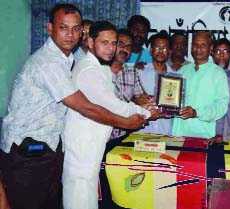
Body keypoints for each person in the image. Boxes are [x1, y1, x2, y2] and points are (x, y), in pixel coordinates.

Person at [0, 4, 146, 209]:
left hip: (48, 148)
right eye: (63, 27)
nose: (70, 34)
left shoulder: (66, 60)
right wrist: (127, 122)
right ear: (50, 28)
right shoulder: (48, 63)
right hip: (28, 152)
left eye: (76, 28)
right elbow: (86, 107)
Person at [62, 21, 159, 209]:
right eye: (104, 43)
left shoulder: (102, 68)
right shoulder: (89, 70)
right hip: (82, 147)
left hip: (93, 145)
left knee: (88, 196)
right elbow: (113, 105)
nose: (111, 48)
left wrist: (141, 107)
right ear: (91, 42)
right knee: (79, 197)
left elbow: (117, 103)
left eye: (113, 43)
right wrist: (145, 113)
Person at [172, 31, 229, 138]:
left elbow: (222, 106)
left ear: (211, 48)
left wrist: (197, 112)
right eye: (195, 44)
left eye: (203, 45)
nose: (198, 48)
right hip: (178, 134)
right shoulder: (182, 70)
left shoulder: (218, 73)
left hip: (204, 136)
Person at [110, 28, 147, 139]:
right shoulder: (100, 70)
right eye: (121, 44)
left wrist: (163, 104)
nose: (125, 49)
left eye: (129, 47)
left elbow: (140, 98)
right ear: (113, 45)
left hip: (121, 134)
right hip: (99, 135)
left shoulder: (132, 71)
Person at [136, 31, 173, 135]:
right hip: (141, 130)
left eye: (164, 48)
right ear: (151, 51)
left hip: (165, 131)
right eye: (157, 48)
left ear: (170, 52)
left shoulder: (175, 77)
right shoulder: (139, 72)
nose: (160, 51)